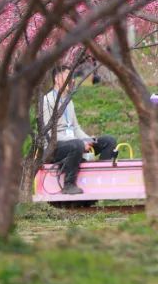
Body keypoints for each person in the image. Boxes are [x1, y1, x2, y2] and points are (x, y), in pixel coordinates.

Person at [40, 65, 118, 195]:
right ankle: (69, 184)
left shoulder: (68, 101)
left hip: (74, 142)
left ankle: (102, 180)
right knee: (76, 145)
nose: (72, 80)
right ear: (57, 79)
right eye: (68, 77)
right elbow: (48, 135)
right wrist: (79, 142)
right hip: (54, 147)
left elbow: (75, 127)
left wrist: (88, 139)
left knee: (108, 141)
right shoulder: (47, 100)